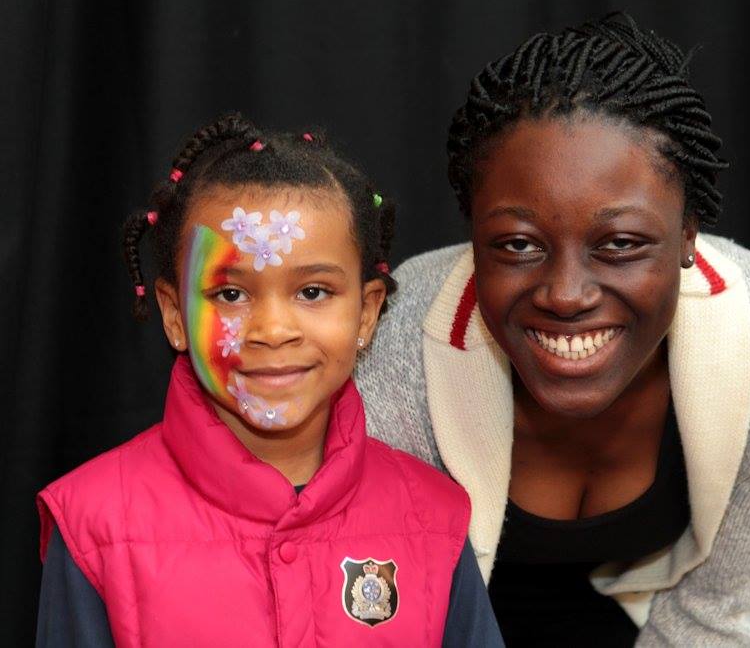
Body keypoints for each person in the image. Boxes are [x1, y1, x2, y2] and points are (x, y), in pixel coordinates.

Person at [356, 13, 750, 646]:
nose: (566, 295)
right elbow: (380, 617)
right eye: (518, 244)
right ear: (472, 238)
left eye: (620, 243)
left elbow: (716, 613)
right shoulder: (392, 349)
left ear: (688, 234)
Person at [35, 115, 504, 647]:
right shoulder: (93, 525)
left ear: (368, 313)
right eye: (230, 295)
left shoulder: (435, 517)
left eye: (313, 292)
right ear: (174, 314)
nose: (274, 330)